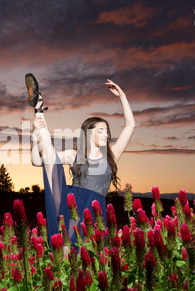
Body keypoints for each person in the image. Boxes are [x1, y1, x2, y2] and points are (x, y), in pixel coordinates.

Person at [27, 74, 135, 246]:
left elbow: (130, 126)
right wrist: (35, 138)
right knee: (66, 250)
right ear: (89, 133)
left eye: (106, 131)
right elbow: (38, 161)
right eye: (100, 130)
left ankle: (39, 114)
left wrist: (123, 97)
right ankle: (39, 110)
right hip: (71, 205)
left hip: (94, 212)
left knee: (91, 257)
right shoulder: (74, 155)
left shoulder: (111, 155)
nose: (106, 134)